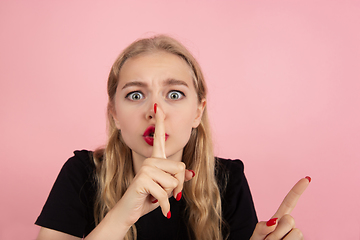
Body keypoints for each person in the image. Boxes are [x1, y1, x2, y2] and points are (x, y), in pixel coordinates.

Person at [35, 35, 310, 240]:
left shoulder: (228, 179)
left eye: (174, 94)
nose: (156, 112)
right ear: (115, 114)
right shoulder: (82, 173)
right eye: (135, 95)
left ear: (198, 112)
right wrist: (121, 216)